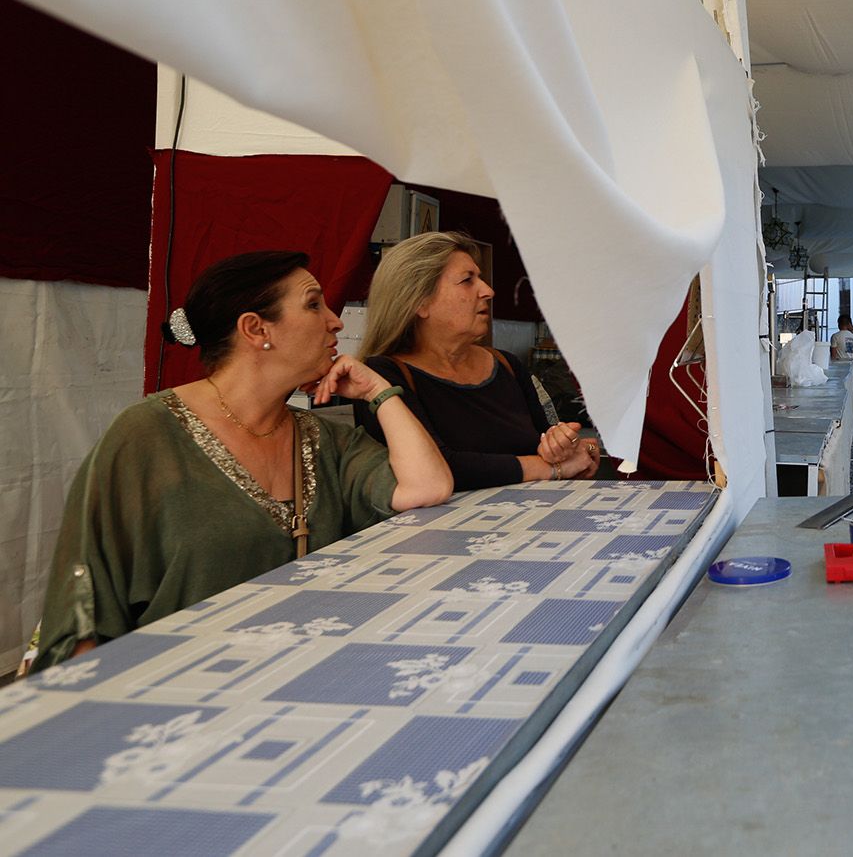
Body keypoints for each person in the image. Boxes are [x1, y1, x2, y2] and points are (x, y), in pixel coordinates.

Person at [31, 251, 454, 673]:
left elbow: (428, 487)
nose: (335, 320)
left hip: (304, 673)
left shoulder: (324, 438)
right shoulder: (147, 436)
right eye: (313, 304)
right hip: (178, 685)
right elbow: (85, 601)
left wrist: (380, 392)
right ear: (256, 329)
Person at [356, 232, 599, 489]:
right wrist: (550, 468)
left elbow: (548, 443)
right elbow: (439, 467)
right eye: (467, 281)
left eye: (480, 278)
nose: (488, 291)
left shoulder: (507, 365)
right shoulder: (381, 378)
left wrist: (568, 447)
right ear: (420, 302)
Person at [831, 313, 853, 421]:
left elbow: (833, 354)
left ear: (839, 324)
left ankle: (843, 415)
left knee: (841, 391)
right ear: (848, 323)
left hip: (840, 367)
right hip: (852, 366)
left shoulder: (835, 336)